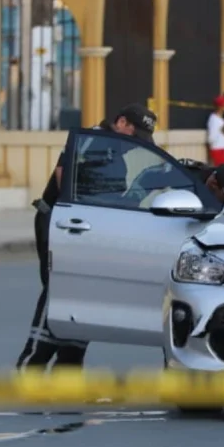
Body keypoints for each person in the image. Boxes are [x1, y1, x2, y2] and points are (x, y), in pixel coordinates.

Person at [17, 104, 158, 371]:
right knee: (59, 291)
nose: (134, 143)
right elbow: (64, 176)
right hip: (69, 224)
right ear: (121, 121)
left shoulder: (112, 147)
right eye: (134, 134)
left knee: (84, 293)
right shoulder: (94, 139)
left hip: (87, 227)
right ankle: (32, 365)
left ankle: (68, 366)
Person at [207, 95, 224, 166]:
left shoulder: (220, 118)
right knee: (222, 170)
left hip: (222, 148)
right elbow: (212, 137)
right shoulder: (214, 119)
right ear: (220, 107)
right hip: (217, 149)